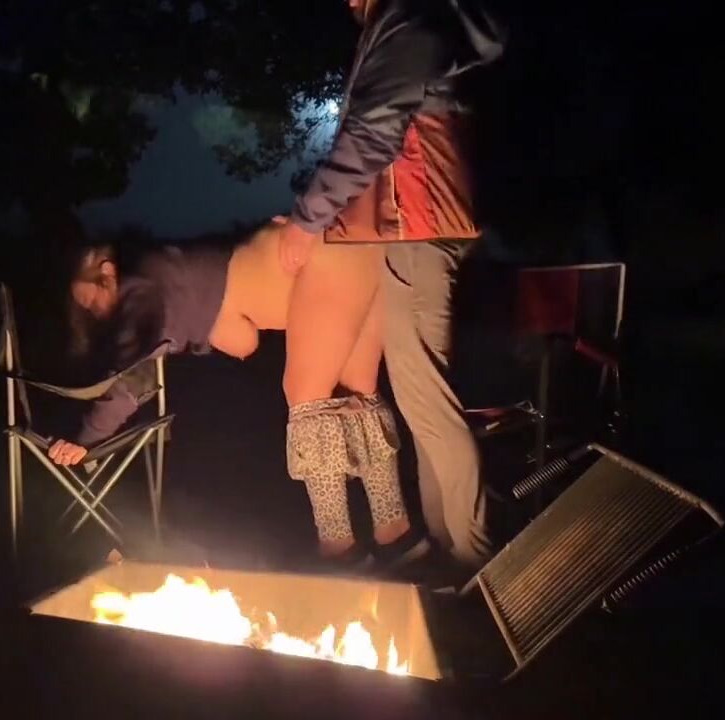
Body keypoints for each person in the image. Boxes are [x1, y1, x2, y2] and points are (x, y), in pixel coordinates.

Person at [48, 219, 429, 570]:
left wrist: (87, 438)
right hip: (350, 246)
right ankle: (395, 535)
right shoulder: (165, 275)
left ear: (106, 272)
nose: (95, 312)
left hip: (325, 256)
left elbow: (131, 376)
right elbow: (186, 355)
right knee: (359, 389)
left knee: (306, 395)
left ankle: (339, 550)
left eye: (90, 301)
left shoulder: (142, 288)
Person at [276, 0, 506, 578]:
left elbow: (375, 133)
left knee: (429, 402)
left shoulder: (407, 20)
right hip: (422, 232)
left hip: (423, 229)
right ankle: (450, 553)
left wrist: (309, 218)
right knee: (422, 403)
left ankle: (477, 562)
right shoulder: (410, 20)